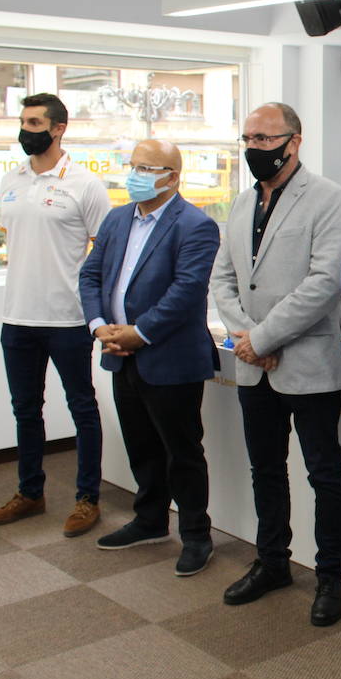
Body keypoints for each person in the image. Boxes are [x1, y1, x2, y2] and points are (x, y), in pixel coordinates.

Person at [211, 102, 341, 626]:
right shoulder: (239, 202)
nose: (254, 148)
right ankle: (272, 561)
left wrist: (265, 336)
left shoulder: (328, 199)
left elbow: (325, 283)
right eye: (247, 138)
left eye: (265, 138)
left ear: (294, 141)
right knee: (266, 469)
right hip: (253, 364)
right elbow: (223, 280)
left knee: (324, 473)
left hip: (308, 363)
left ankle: (329, 577)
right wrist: (246, 339)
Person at [78, 140, 220, 575]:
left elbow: (186, 292)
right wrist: (100, 326)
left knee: (182, 451)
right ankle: (151, 519)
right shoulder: (118, 218)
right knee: (140, 443)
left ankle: (196, 534)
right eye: (133, 166)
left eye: (147, 168)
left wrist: (139, 333)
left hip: (170, 358)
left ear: (172, 177)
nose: (135, 175)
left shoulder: (195, 225)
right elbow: (90, 275)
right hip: (120, 353)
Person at [0, 93, 110, 538]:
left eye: (35, 122)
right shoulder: (11, 180)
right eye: (23, 121)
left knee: (82, 409)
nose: (26, 130)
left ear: (59, 128)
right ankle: (30, 491)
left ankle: (87, 498)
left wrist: (99, 315)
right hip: (17, 317)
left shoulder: (84, 184)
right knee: (26, 411)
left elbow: (104, 255)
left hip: (68, 319)